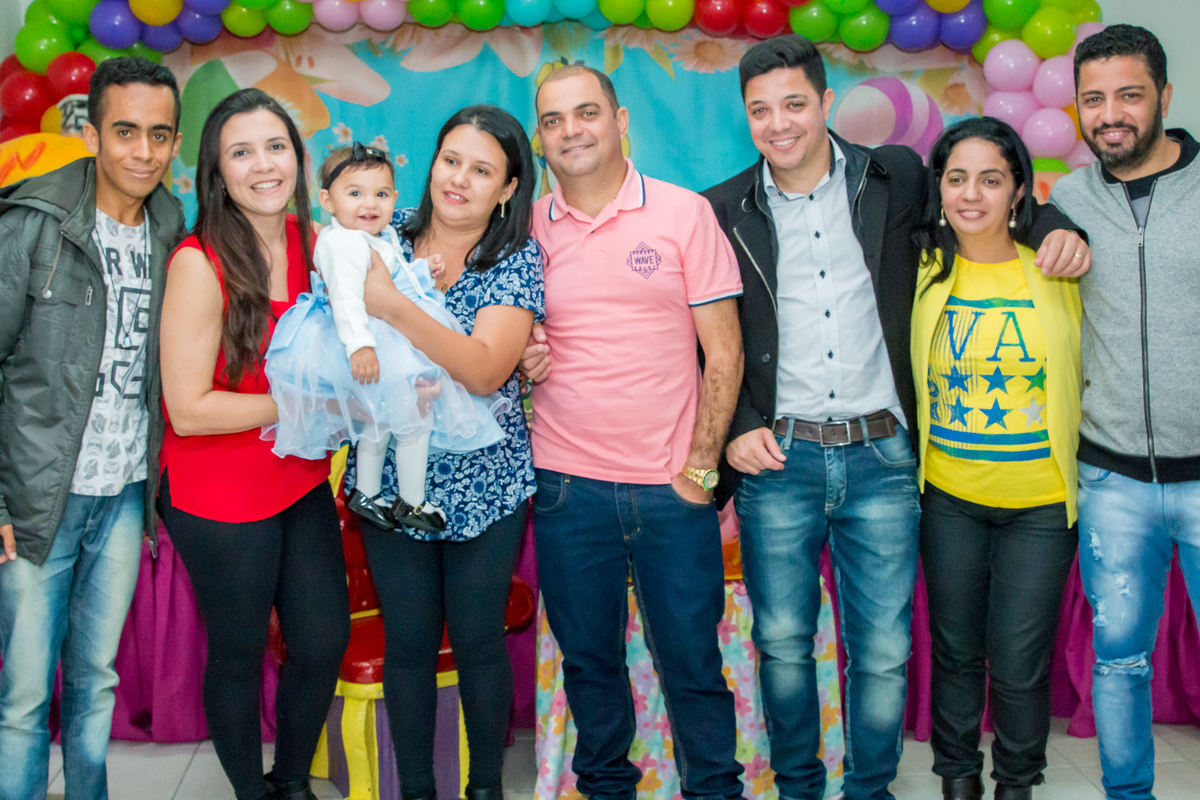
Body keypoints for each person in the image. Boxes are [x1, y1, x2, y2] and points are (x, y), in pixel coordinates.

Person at [700, 35, 1090, 800]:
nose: (778, 123)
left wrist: (1051, 230)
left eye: (793, 104)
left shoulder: (898, 176)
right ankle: (800, 786)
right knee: (781, 643)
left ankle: (870, 788)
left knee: (881, 650)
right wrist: (741, 419)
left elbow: (990, 206)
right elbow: (708, 330)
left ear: (825, 103)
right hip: (779, 457)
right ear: (745, 118)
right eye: (759, 111)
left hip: (884, 456)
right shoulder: (722, 209)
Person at [520, 65, 747, 800]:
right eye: (554, 120)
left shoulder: (683, 213)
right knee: (588, 663)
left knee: (690, 663)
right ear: (539, 138)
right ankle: (606, 788)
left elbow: (727, 352)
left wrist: (702, 475)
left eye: (587, 113)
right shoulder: (525, 226)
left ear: (621, 123)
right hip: (564, 490)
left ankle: (716, 788)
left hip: (671, 491)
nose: (571, 130)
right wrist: (524, 358)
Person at [157, 88, 349, 800]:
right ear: (217, 170)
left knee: (323, 638)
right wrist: (309, 401)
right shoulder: (199, 263)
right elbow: (187, 409)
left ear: (299, 161)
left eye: (276, 147)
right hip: (217, 488)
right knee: (237, 654)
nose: (262, 165)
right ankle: (251, 793)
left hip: (295, 472)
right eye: (242, 152)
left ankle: (291, 780)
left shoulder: (318, 245)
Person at [0, 57, 184, 800]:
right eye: (126, 131)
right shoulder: (32, 227)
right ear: (92, 132)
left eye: (160, 134)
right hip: (38, 499)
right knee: (22, 700)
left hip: (124, 492)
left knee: (95, 683)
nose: (143, 151)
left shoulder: (172, 226)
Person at [346, 105, 543, 800]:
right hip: (394, 481)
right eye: (450, 159)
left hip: (486, 486)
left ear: (509, 188)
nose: (459, 179)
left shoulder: (513, 257)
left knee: (480, 641)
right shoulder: (383, 236)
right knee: (408, 645)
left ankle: (485, 787)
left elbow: (486, 370)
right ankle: (420, 792)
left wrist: (395, 306)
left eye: (482, 169)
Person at [1048, 24, 1200, 800]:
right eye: (1094, 99)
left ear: (1165, 99)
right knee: (1120, 661)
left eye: (1129, 95)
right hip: (1111, 478)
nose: (1111, 114)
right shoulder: (1071, 196)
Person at [911, 117, 1082, 800]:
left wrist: (1061, 224)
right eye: (957, 178)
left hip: (1040, 504)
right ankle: (957, 778)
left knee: (1019, 662)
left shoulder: (1058, 267)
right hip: (948, 497)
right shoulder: (920, 269)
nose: (971, 194)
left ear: (1018, 191)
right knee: (955, 653)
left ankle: (1016, 781)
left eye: (991, 178)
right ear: (939, 188)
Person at [264, 141, 508, 533]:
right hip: (367, 340)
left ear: (395, 197)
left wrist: (424, 270)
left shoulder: (376, 237)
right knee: (413, 421)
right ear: (327, 200)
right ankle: (410, 501)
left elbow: (398, 279)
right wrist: (359, 345)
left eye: (380, 194)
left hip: (384, 339)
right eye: (355, 193)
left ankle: (367, 492)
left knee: (381, 420)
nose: (369, 204)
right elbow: (345, 295)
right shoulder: (341, 241)